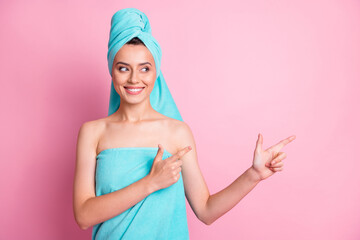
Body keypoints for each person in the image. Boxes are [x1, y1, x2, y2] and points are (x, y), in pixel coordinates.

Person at [72, 7, 296, 240]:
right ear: (112, 71)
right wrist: (150, 183)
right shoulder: (92, 133)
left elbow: (206, 210)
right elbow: (83, 216)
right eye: (123, 68)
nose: (134, 79)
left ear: (156, 72)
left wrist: (254, 175)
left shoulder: (177, 133)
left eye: (144, 68)